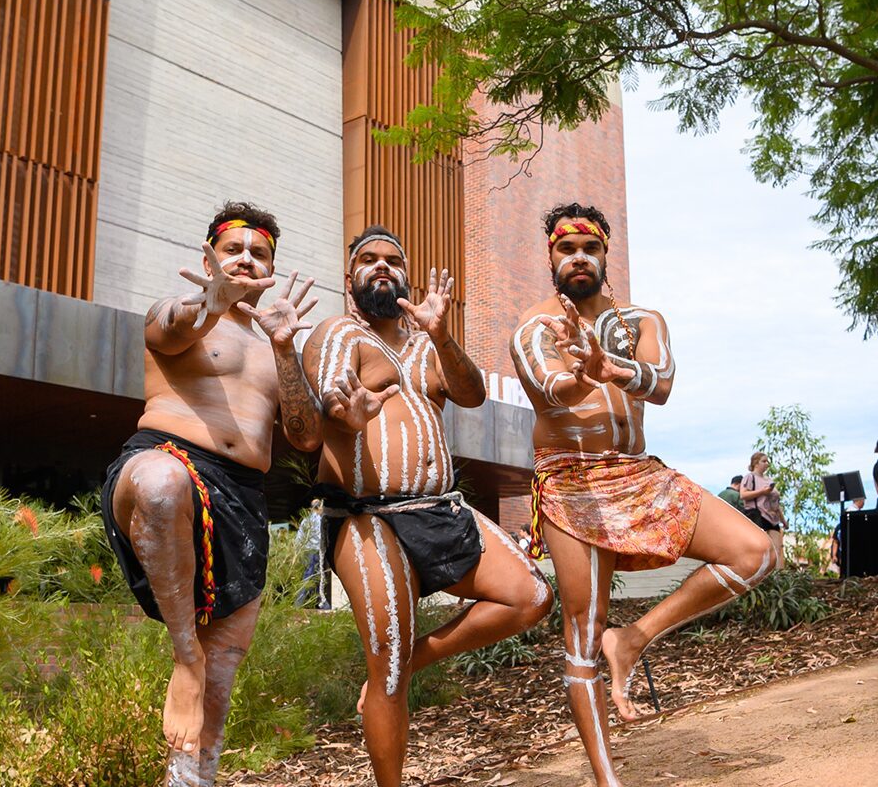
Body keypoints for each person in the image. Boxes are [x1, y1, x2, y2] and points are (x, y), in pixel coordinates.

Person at [510, 203, 775, 787]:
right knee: (583, 626)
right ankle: (609, 780)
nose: (578, 258)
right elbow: (550, 391)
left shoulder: (643, 320)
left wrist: (612, 366)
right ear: (550, 258)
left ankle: (633, 639)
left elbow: (663, 385)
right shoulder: (534, 327)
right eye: (565, 249)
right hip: (571, 479)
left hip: (638, 472)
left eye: (590, 249)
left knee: (755, 553)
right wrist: (584, 372)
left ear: (606, 256)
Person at [299, 225, 553, 787]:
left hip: (441, 508)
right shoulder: (339, 333)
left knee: (532, 596)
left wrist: (441, 335)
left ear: (407, 275)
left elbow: (471, 394)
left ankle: (411, 658)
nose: (383, 266)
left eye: (393, 259)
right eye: (370, 260)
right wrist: (348, 412)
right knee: (386, 662)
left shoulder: (423, 346)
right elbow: (330, 397)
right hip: (369, 517)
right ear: (351, 279)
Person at [98, 201, 322, 787]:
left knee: (223, 669)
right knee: (162, 483)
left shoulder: (278, 343)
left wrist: (284, 348)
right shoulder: (178, 312)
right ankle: (182, 652)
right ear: (209, 256)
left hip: (244, 496)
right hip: (164, 461)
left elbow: (304, 435)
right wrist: (210, 304)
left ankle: (192, 776)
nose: (246, 258)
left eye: (260, 252)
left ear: (273, 267)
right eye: (233, 249)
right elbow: (171, 329)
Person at [740, 453, 787, 569]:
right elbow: (743, 494)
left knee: (777, 549)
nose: (767, 464)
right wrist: (762, 492)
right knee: (761, 550)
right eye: (764, 461)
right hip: (758, 516)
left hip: (773, 519)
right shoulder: (750, 477)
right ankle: (759, 575)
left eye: (767, 461)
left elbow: (776, 503)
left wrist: (783, 520)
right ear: (756, 463)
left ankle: (778, 577)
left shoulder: (769, 480)